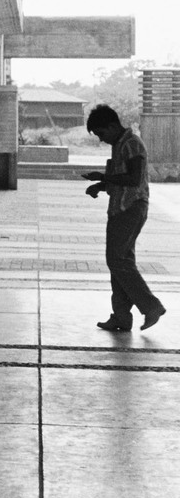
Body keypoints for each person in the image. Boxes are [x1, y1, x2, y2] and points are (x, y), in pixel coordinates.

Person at [83, 104, 164, 333]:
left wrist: (103, 176)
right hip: (120, 207)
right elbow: (121, 178)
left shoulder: (132, 143)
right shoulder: (119, 145)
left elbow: (134, 178)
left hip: (131, 207)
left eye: (101, 133)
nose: (101, 139)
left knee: (117, 261)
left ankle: (151, 306)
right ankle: (120, 317)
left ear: (112, 125)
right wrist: (100, 185)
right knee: (120, 263)